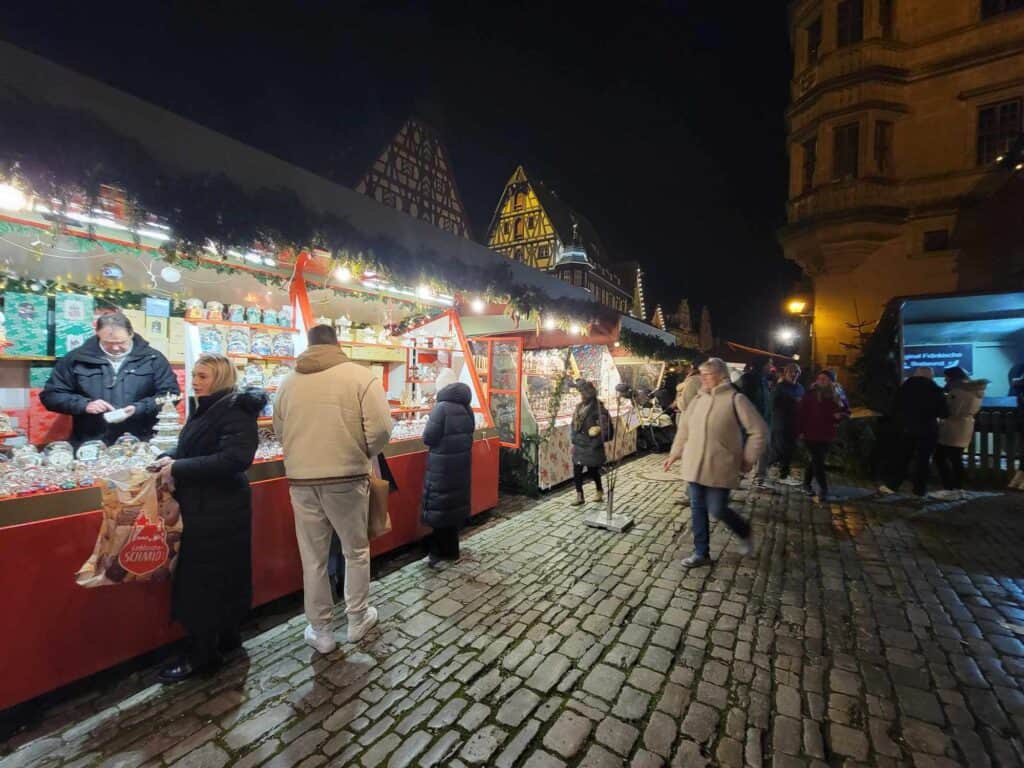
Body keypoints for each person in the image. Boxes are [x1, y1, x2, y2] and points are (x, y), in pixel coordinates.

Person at [273, 324, 392, 655]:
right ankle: (357, 619)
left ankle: (321, 631)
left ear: (308, 346)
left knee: (313, 558)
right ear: (336, 344)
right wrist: (361, 452)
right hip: (347, 478)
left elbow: (279, 430)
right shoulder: (359, 376)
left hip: (301, 480)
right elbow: (382, 429)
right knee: (355, 550)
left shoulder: (287, 382)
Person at [153, 353, 265, 682]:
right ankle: (228, 640)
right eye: (195, 374)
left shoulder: (233, 409)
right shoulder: (210, 406)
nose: (195, 380)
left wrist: (178, 467)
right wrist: (169, 457)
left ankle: (203, 656)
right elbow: (197, 449)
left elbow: (235, 458)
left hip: (217, 508)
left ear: (219, 378)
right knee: (221, 576)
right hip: (212, 505)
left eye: (203, 376)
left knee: (202, 580)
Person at [664, 357, 768, 567]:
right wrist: (674, 454)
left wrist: (747, 460)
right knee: (697, 508)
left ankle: (744, 531)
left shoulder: (735, 399)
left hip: (720, 465)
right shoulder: (698, 399)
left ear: (721, 375)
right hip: (695, 464)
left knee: (718, 509)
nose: (702, 378)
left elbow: (759, 431)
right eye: (701, 374)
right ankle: (701, 553)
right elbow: (684, 429)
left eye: (707, 374)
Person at [41, 312, 180, 445]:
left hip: (141, 440)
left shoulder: (153, 358)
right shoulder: (76, 359)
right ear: (97, 334)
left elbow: (172, 395)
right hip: (90, 440)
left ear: (131, 334)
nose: (115, 347)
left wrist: (139, 408)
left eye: (121, 342)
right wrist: (85, 405)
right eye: (107, 342)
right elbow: (51, 396)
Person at [421, 378, 476, 566]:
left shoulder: (441, 408)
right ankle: (452, 552)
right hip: (460, 466)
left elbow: (428, 437)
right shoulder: (467, 409)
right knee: (452, 508)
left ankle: (436, 554)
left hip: (441, 467)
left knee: (439, 509)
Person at [880, 367, 949, 497]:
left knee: (902, 458)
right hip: (928, 429)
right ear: (930, 376)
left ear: (915, 375)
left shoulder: (904, 389)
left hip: (907, 428)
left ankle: (893, 485)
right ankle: (919, 489)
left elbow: (893, 408)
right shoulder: (935, 390)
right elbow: (944, 412)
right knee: (923, 460)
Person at [934, 366, 987, 498]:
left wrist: (941, 406)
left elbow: (951, 410)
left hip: (953, 427)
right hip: (965, 426)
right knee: (955, 458)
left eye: (946, 377)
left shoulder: (958, 391)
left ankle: (952, 488)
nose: (945, 381)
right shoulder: (974, 391)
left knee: (942, 457)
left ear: (952, 377)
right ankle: (957, 487)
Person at [797, 370, 850, 503]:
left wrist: (840, 416)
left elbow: (847, 411)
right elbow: (801, 413)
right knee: (818, 461)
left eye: (825, 379)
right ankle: (823, 489)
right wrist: (799, 430)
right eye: (819, 378)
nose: (821, 381)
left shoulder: (838, 395)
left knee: (816, 460)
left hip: (827, 434)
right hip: (810, 433)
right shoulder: (810, 395)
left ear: (831, 381)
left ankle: (806, 484)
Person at [570, 380, 611, 506]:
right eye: (581, 392)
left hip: (591, 445)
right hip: (579, 444)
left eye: (583, 392)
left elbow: (606, 427)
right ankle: (579, 495)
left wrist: (596, 437)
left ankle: (599, 490)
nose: (582, 395)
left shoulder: (598, 408)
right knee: (577, 470)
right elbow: (574, 424)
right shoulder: (579, 406)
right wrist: (574, 437)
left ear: (590, 393)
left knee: (593, 470)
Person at [739, 356, 774, 489]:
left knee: (765, 450)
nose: (771, 367)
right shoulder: (749, 378)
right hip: (751, 422)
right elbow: (746, 400)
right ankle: (738, 476)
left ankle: (759, 477)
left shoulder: (764, 379)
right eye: (769, 364)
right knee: (746, 449)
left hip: (763, 421)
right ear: (762, 365)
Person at [771, 364, 805, 486]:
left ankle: (783, 475)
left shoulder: (800, 388)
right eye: (791, 371)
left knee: (790, 450)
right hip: (781, 423)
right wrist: (790, 402)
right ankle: (759, 472)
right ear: (785, 373)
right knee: (779, 450)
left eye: (796, 372)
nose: (793, 374)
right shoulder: (779, 387)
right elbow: (773, 404)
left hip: (794, 423)